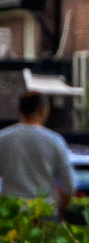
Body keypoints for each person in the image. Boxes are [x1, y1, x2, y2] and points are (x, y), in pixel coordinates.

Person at [0, 91, 75, 219]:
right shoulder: (55, 141)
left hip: (10, 212)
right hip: (45, 212)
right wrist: (62, 211)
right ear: (43, 110)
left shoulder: (3, 138)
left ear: (20, 109)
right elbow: (69, 185)